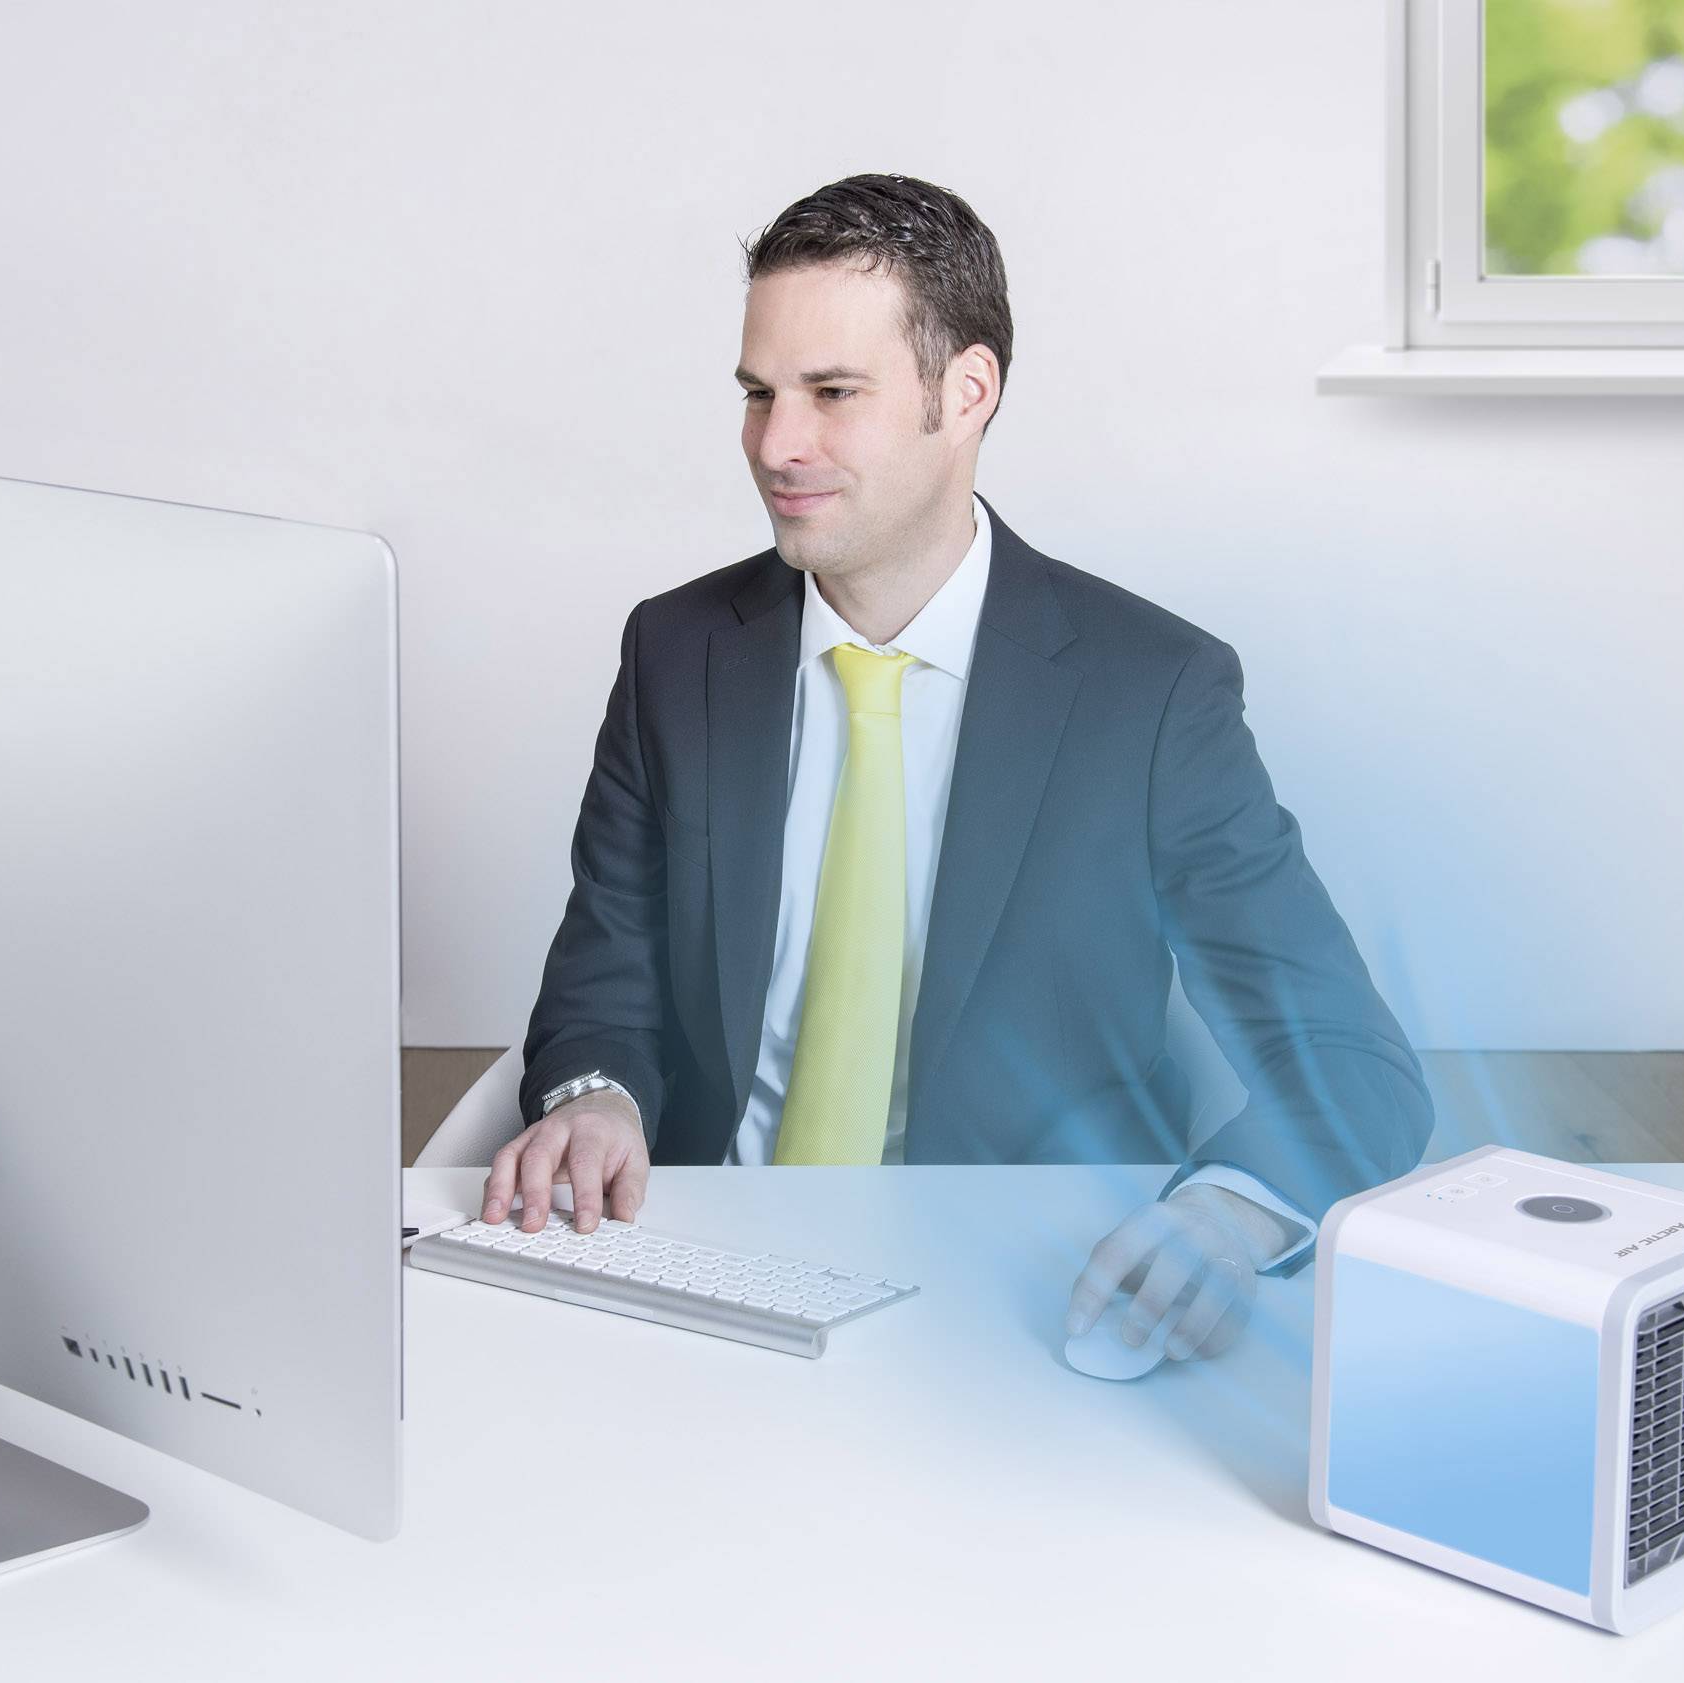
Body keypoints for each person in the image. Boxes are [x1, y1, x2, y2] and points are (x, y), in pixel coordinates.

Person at [492, 174, 1433, 1361]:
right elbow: (606, 971)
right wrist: (595, 1100)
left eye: (834, 394)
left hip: (1016, 1305)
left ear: (967, 392)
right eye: (759, 396)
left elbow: (1352, 1061)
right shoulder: (677, 652)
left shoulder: (1151, 695)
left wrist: (1222, 1214)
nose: (778, 446)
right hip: (700, 1274)